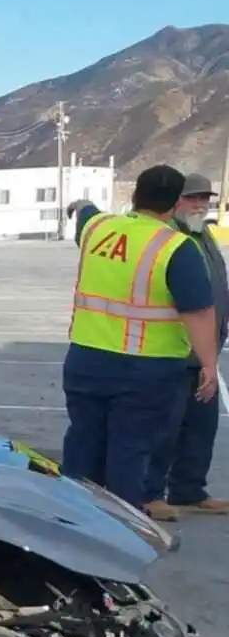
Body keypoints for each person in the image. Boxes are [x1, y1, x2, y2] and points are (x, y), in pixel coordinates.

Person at [61, 164, 219, 518]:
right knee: (129, 452)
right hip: (145, 368)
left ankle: (71, 521)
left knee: (82, 444)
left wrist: (79, 202)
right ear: (176, 202)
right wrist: (208, 364)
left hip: (85, 360)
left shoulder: (98, 228)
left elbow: (84, 210)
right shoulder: (175, 247)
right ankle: (120, 528)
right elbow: (199, 312)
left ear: (134, 196)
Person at [147, 174, 229, 513]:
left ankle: (189, 489)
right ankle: (150, 494)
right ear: (175, 201)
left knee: (201, 427)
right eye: (191, 198)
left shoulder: (202, 234)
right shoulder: (169, 239)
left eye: (204, 199)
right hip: (175, 353)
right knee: (164, 429)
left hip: (204, 352)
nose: (199, 204)